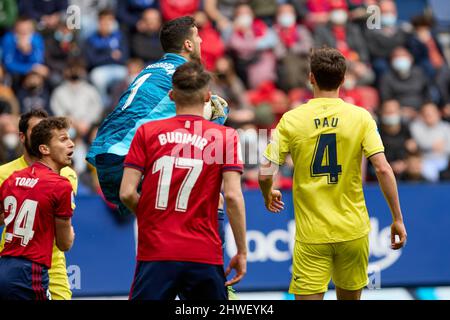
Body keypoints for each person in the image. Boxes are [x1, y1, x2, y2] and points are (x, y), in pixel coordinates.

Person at [258, 48, 407, 300]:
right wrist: (397, 219)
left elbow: (264, 173)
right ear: (344, 78)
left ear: (311, 78)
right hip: (353, 230)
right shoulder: (361, 117)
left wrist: (267, 194)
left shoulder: (292, 119)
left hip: (312, 235)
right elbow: (382, 168)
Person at [120, 62, 247, 300]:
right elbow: (232, 196)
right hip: (203, 252)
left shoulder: (146, 132)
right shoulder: (225, 136)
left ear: (171, 95)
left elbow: (127, 193)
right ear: (209, 96)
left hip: (156, 250)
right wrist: (241, 250)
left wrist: (155, 218)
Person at [86, 16, 228, 216]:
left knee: (164, 214)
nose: (201, 41)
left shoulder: (151, 69)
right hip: (128, 155)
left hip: (106, 155)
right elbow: (201, 125)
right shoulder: (184, 75)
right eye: (197, 37)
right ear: (188, 44)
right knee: (215, 199)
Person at [0, 109, 78, 300]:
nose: (71, 144)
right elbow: (65, 240)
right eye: (62, 139)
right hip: (30, 264)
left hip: (45, 261)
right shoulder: (60, 183)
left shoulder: (13, 178)